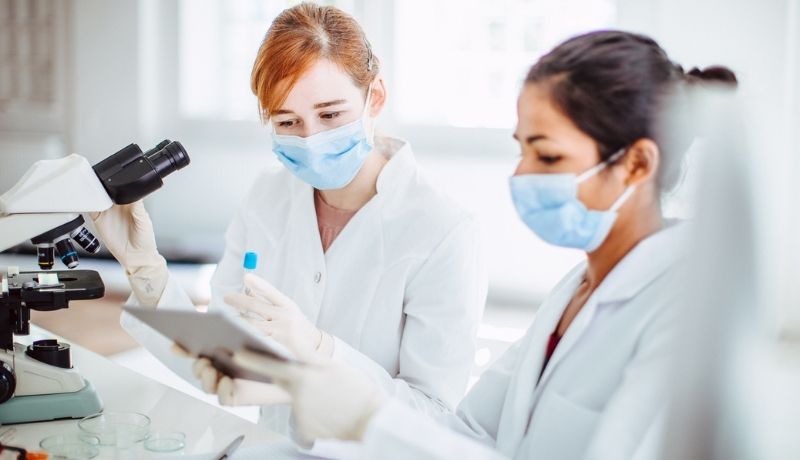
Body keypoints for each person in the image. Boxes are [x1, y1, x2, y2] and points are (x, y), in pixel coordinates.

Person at [227, 30, 738, 458]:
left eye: (549, 158)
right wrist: (353, 406)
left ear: (637, 164)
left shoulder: (680, 315)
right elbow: (470, 435)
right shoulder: (574, 291)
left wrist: (352, 398)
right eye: (521, 151)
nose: (520, 176)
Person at [90, 2, 486, 436]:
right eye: (287, 120)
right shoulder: (268, 195)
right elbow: (223, 358)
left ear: (374, 97)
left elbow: (433, 418)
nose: (311, 138)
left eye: (331, 115)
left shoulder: (442, 231)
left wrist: (318, 350)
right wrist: (147, 271)